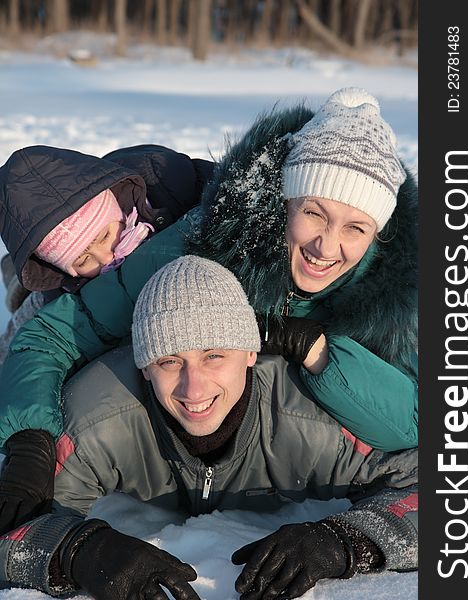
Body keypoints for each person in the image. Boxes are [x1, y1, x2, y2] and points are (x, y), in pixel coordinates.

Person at [0, 87, 418, 533]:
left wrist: (318, 350)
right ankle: (29, 281)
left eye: (355, 227)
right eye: (314, 213)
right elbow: (54, 336)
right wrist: (29, 439)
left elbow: (412, 428)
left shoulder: (400, 301)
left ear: (379, 232)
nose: (326, 246)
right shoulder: (203, 249)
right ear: (284, 202)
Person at [0, 256, 418, 600]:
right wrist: (78, 551)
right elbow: (11, 525)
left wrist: (344, 542)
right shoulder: (98, 420)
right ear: (144, 367)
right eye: (169, 361)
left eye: (214, 356)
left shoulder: (309, 420)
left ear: (252, 352)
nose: (193, 387)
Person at [0, 143, 214, 362]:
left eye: (103, 237)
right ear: (66, 271)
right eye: (83, 259)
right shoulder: (61, 289)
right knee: (31, 301)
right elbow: (24, 339)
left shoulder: (170, 185)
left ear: (118, 211)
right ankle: (17, 279)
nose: (106, 258)